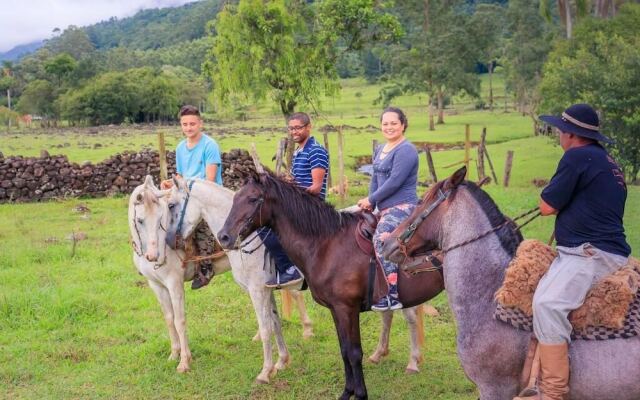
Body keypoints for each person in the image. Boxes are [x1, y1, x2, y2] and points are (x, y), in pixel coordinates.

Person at [515, 104, 631, 400]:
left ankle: (553, 392)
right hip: (592, 250)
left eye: (559, 130)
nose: (558, 134)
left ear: (570, 134)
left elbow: (546, 206)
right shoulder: (606, 160)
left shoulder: (576, 157)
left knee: (548, 304)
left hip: (589, 254)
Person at [357, 107, 419, 312]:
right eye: (385, 124)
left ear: (403, 125)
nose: (389, 127)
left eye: (394, 123)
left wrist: (372, 198)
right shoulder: (380, 149)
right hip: (382, 207)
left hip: (403, 206)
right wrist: (370, 205)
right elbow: (375, 179)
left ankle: (391, 294)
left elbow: (394, 182)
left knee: (381, 239)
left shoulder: (406, 149)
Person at [261, 112, 329, 288]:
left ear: (308, 127)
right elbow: (300, 180)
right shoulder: (299, 151)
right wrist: (289, 182)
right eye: (291, 128)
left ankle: (289, 269)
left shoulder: (316, 151)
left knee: (267, 231)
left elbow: (316, 187)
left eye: (298, 128)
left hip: (311, 206)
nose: (294, 132)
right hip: (300, 203)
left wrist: (292, 193)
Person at [161, 104, 223, 290]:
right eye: (185, 124)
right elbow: (181, 176)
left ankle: (206, 267)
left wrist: (183, 184)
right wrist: (172, 183)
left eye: (192, 124)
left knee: (199, 223)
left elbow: (210, 180)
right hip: (186, 194)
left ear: (200, 124)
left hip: (207, 195)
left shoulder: (210, 145)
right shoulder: (181, 147)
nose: (189, 128)